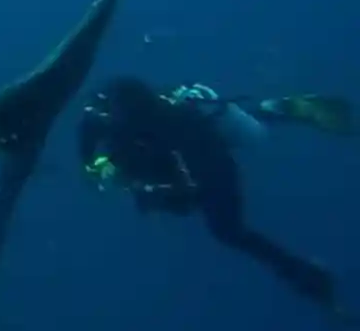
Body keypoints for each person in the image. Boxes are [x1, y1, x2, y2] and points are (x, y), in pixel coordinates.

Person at [79, 78, 348, 309]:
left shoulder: (178, 129)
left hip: (209, 162)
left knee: (228, 231)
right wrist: (93, 167)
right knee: (233, 125)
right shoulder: (104, 120)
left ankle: (306, 276)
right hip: (176, 152)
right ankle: (274, 108)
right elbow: (89, 137)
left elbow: (192, 191)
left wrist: (153, 194)